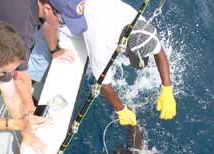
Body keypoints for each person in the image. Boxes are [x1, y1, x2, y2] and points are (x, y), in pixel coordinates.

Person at [47, 0, 177, 126]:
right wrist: (121, 109)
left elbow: (159, 52)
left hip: (95, 6)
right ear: (126, 47)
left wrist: (167, 88)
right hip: (72, 15)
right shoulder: (101, 46)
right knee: (58, 26)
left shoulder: (140, 27)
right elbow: (104, 85)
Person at [0, 0, 74, 115]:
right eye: (63, 21)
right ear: (47, 8)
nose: (64, 25)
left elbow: (49, 21)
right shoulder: (23, 28)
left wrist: (54, 49)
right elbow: (20, 77)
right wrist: (31, 113)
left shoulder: (42, 7)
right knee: (9, 73)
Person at [0, 21, 50, 154]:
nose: (12, 75)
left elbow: (12, 98)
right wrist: (18, 124)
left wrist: (26, 132)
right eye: (7, 72)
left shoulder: (1, 63)